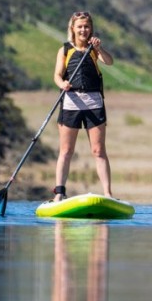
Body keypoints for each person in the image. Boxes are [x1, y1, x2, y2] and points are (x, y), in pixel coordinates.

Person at [52, 11, 114, 201]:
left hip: (93, 103)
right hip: (71, 102)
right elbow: (57, 75)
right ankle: (60, 193)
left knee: (98, 150)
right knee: (66, 150)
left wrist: (100, 48)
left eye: (86, 26)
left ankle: (108, 194)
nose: (83, 30)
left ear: (91, 29)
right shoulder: (65, 49)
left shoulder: (94, 49)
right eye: (79, 26)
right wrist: (62, 84)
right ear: (73, 28)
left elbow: (109, 62)